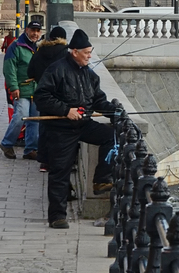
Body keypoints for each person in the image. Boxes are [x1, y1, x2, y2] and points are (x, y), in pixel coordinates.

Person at [32, 29, 115, 229]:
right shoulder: (57, 69)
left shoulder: (89, 74)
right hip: (60, 128)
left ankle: (101, 179)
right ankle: (57, 216)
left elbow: (98, 100)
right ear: (74, 51)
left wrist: (114, 112)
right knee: (60, 171)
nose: (89, 56)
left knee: (111, 136)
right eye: (86, 52)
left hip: (83, 124)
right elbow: (41, 96)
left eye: (90, 52)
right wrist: (66, 110)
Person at [27, 26, 70, 173]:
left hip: (43, 94)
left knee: (44, 127)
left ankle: (44, 162)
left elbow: (30, 71)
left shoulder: (40, 51)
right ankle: (58, 161)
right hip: (60, 96)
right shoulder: (65, 53)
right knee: (60, 129)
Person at [2, 21, 43, 160]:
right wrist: (13, 87)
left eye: (38, 31)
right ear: (27, 30)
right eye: (33, 30)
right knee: (21, 115)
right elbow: (9, 68)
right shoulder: (16, 46)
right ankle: (7, 143)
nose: (35, 34)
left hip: (36, 89)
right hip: (22, 87)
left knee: (35, 120)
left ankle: (31, 149)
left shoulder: (39, 48)